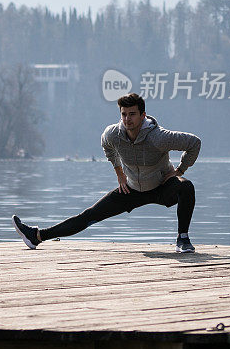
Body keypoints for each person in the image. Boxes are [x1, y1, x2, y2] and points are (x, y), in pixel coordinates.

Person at [13, 92, 201, 253]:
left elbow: (194, 143)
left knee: (186, 187)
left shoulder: (158, 137)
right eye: (124, 114)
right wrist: (119, 171)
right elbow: (106, 146)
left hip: (161, 187)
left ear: (143, 115)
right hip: (132, 189)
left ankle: (183, 239)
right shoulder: (113, 134)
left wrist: (179, 170)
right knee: (88, 216)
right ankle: (36, 236)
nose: (128, 119)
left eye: (132, 114)